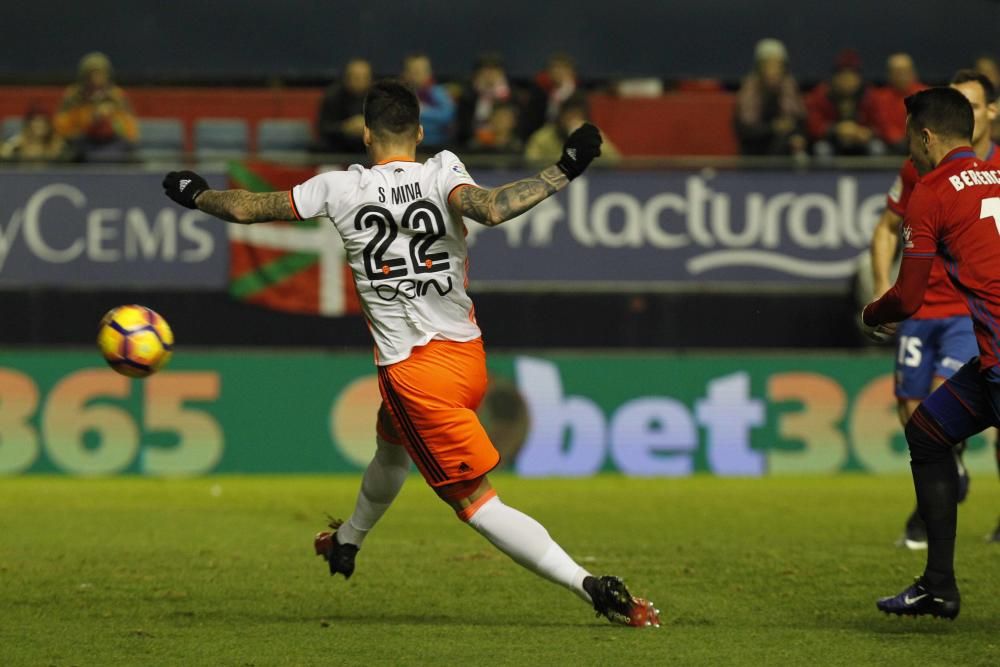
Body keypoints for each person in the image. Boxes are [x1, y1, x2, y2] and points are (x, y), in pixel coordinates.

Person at [161, 80, 659, 628]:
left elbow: (251, 208)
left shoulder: (339, 189)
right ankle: (346, 540)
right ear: (419, 133)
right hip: (467, 357)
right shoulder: (441, 169)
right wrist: (562, 169)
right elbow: (493, 209)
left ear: (366, 134)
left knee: (477, 505)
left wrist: (197, 193)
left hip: (415, 373)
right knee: (391, 450)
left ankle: (590, 586)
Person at [862, 86, 1000, 619]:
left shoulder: (932, 188)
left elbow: (909, 297)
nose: (909, 151)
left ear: (925, 136)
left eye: (908, 138)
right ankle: (938, 584)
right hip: (988, 362)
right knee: (928, 430)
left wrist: (873, 313)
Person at [54, 52, 138, 162]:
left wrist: (111, 119)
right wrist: (91, 118)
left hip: (113, 143)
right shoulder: (73, 96)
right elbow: (62, 128)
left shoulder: (116, 95)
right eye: (92, 74)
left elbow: (130, 131)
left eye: (101, 74)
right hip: (82, 144)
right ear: (84, 76)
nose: (96, 79)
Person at [733, 38, 807, 157]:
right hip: (754, 151)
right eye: (768, 65)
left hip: (784, 153)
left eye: (777, 65)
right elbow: (745, 131)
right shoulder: (749, 90)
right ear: (760, 67)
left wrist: (798, 136)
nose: (773, 71)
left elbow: (800, 121)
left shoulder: (790, 87)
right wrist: (773, 128)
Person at [805, 49, 884, 158]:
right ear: (835, 78)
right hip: (832, 141)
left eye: (851, 77)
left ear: (859, 79)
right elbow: (814, 126)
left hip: (861, 141)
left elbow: (880, 125)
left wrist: (867, 132)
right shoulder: (821, 95)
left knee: (877, 148)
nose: (847, 81)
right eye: (843, 76)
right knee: (821, 149)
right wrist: (836, 130)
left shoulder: (870, 96)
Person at [525, 94, 620, 164]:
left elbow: (613, 160)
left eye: (577, 116)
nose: (573, 120)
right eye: (569, 115)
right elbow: (529, 162)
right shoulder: (544, 136)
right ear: (561, 117)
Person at [456, 53, 525, 147]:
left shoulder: (514, 95)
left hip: (507, 143)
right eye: (485, 71)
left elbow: (521, 124)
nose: (489, 75)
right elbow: (463, 125)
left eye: (493, 70)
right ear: (477, 74)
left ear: (502, 73)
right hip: (475, 144)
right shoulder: (468, 96)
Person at [869, 53, 926, 154]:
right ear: (889, 75)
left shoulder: (926, 94)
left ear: (913, 73)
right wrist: (897, 139)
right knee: (876, 148)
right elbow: (882, 124)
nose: (901, 76)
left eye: (905, 72)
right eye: (897, 72)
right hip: (889, 143)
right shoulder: (879, 97)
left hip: (918, 142)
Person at [316, 58, 372, 155]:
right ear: (346, 78)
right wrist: (345, 128)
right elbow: (323, 128)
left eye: (364, 77)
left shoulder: (378, 97)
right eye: (356, 77)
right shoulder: (333, 96)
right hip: (336, 151)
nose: (360, 81)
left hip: (369, 153)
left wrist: (369, 127)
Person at [400, 53, 454, 150]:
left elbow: (448, 116)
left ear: (429, 73)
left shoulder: (438, 92)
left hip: (439, 146)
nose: (418, 75)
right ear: (405, 73)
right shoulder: (401, 94)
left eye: (422, 71)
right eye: (414, 71)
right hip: (409, 146)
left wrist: (422, 110)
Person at [0, 105, 71, 163]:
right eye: (36, 122)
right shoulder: (16, 144)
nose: (40, 125)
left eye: (43, 122)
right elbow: (4, 157)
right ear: (29, 125)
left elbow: (68, 161)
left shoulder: (59, 144)